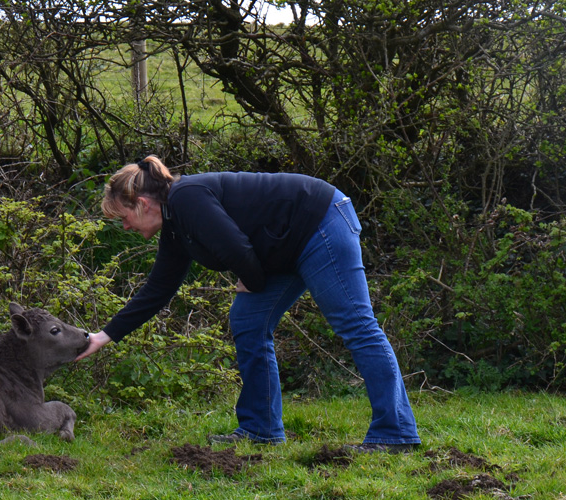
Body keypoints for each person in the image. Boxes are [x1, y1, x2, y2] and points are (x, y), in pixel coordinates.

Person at [76, 155, 421, 453]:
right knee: (248, 320)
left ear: (143, 204)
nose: (123, 225)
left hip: (320, 222)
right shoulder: (175, 226)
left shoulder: (187, 199)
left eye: (124, 216)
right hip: (285, 245)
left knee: (356, 325)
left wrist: (251, 280)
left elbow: (237, 249)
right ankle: (261, 429)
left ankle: (396, 432)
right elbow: (158, 289)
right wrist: (102, 337)